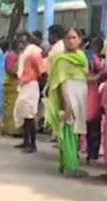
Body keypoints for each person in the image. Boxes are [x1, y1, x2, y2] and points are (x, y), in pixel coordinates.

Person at [47, 28, 89, 177]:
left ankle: (71, 163)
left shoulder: (82, 56)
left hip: (81, 94)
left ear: (79, 40)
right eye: (68, 38)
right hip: (69, 94)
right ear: (63, 41)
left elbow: (85, 76)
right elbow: (61, 83)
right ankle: (70, 167)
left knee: (76, 132)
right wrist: (68, 104)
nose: (71, 41)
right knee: (69, 130)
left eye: (74, 37)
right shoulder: (61, 59)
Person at [13, 32, 45, 153]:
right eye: (19, 42)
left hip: (31, 85)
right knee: (24, 115)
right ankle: (26, 141)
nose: (21, 44)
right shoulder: (25, 53)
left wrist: (41, 89)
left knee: (30, 116)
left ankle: (33, 144)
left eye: (23, 41)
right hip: (24, 85)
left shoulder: (34, 52)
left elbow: (41, 71)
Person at [83, 36, 104, 164]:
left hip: (82, 91)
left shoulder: (82, 55)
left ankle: (86, 152)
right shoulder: (94, 58)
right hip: (92, 92)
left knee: (83, 125)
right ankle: (92, 153)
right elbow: (100, 74)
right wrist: (99, 75)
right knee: (93, 126)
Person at [2, 40, 21, 136]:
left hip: (18, 84)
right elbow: (10, 69)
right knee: (11, 108)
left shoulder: (20, 54)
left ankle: (17, 129)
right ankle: (10, 129)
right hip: (12, 82)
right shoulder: (12, 55)